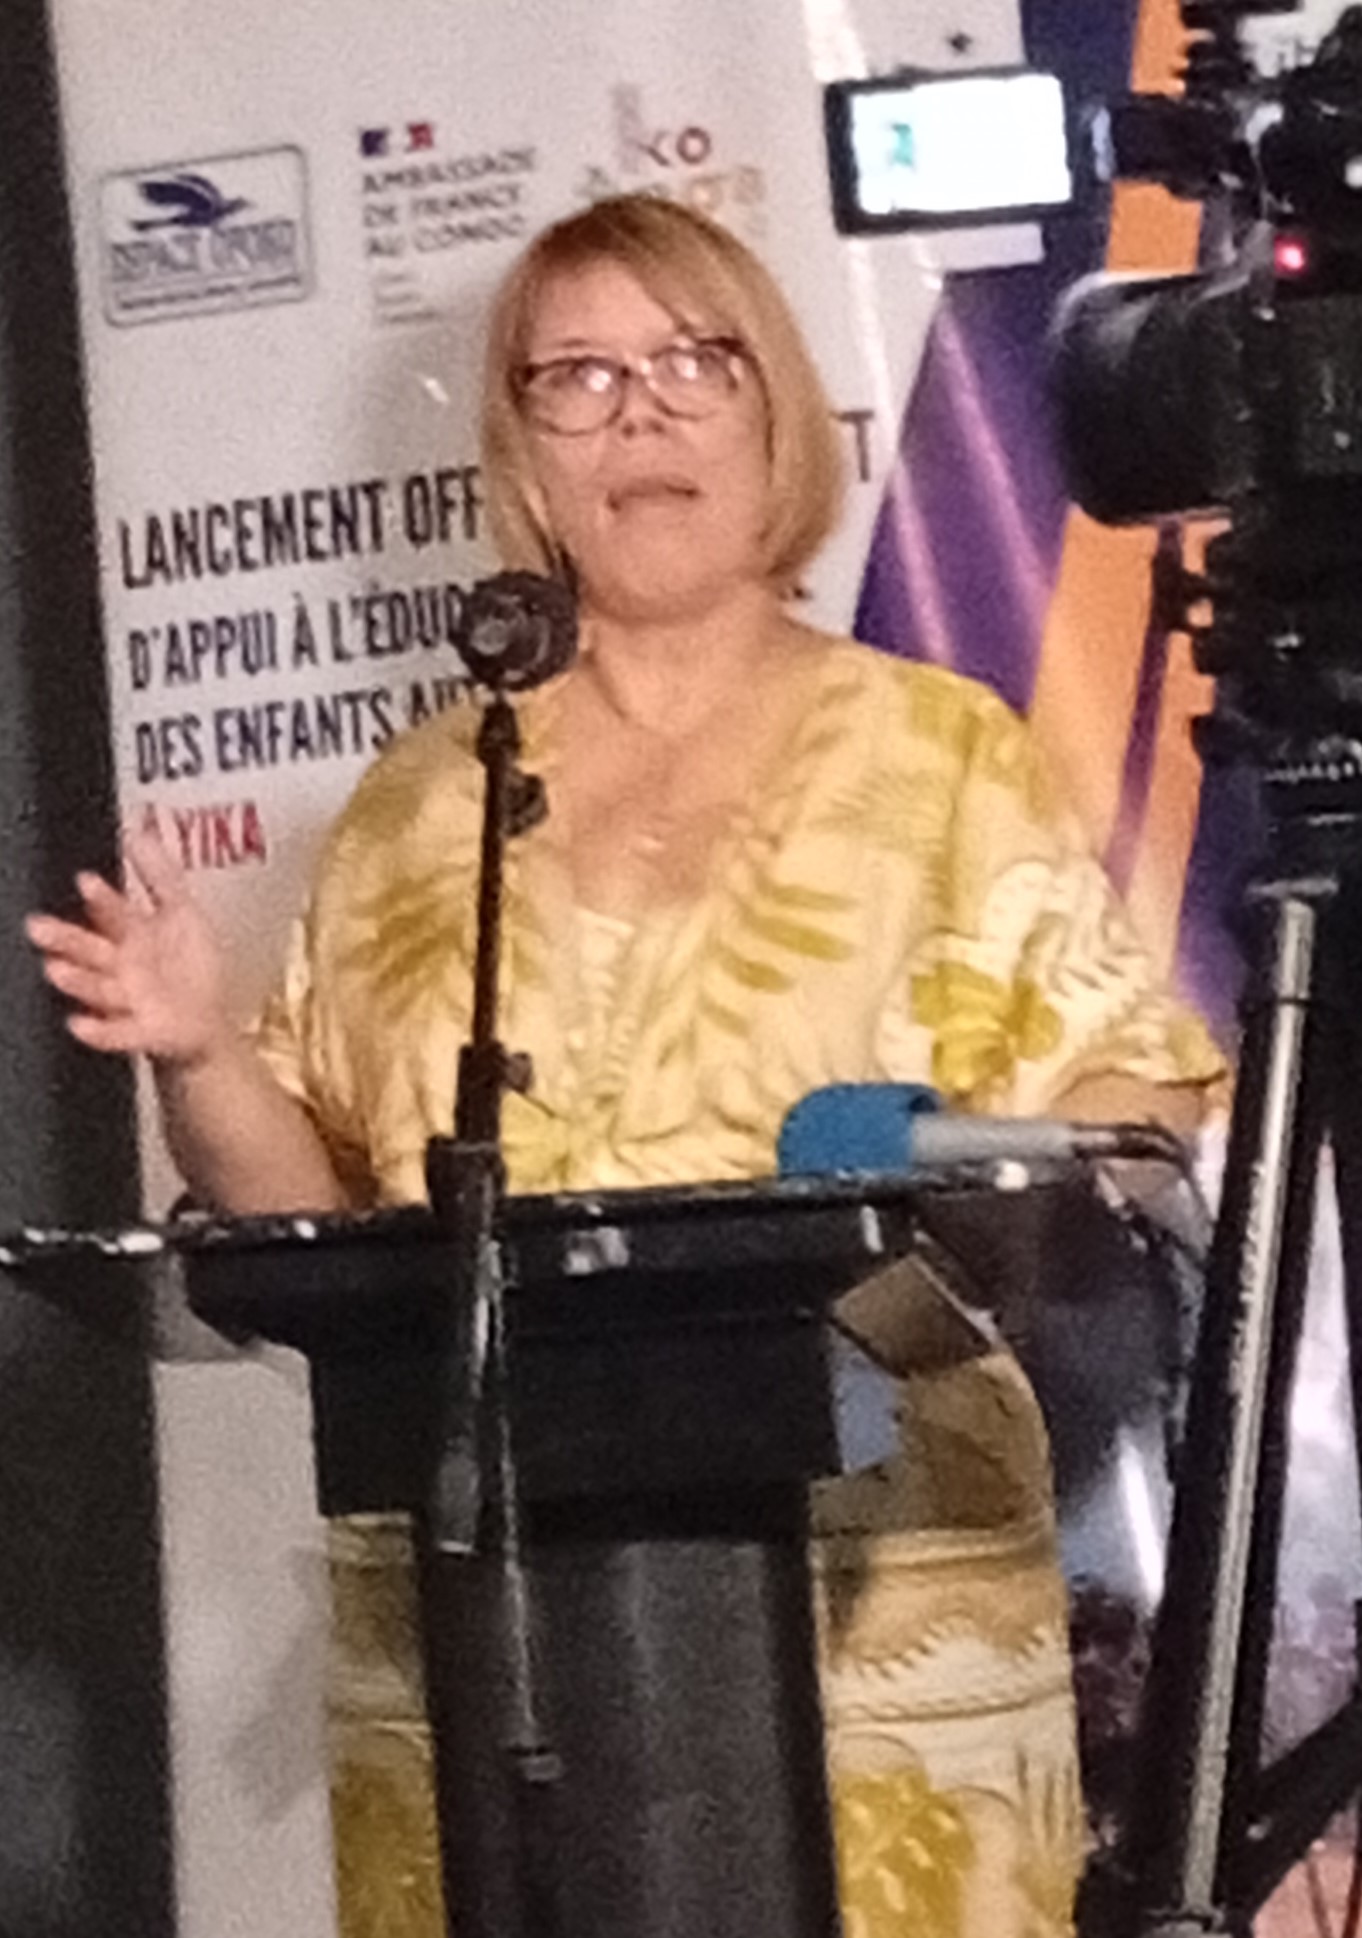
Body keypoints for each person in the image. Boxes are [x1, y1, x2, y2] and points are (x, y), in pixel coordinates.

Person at [27, 194, 1225, 1938]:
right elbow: (312, 1217)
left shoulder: (935, 754)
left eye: (690, 361)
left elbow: (1142, 1102)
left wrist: (955, 1161)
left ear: (771, 412)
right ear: (524, 445)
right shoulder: (421, 805)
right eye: (577, 377)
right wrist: (200, 1050)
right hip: (489, 1629)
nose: (640, 411)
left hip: (871, 1626)